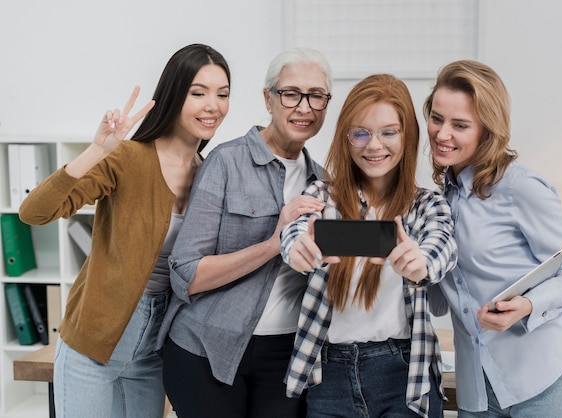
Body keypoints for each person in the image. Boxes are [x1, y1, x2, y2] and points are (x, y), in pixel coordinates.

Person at [19, 43, 231, 418]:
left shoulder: (212, 174)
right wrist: (97, 150)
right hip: (93, 345)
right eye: (198, 92)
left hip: (153, 352)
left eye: (222, 94)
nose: (212, 105)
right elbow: (35, 212)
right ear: (173, 94)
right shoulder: (128, 158)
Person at [157, 47, 332, 418]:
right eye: (291, 94)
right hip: (205, 348)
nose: (304, 107)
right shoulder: (226, 162)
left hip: (287, 355)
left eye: (316, 96)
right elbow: (185, 274)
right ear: (268, 99)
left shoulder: (325, 183)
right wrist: (273, 243)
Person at [424, 60, 562, 417]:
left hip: (548, 383)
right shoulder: (440, 202)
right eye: (436, 118)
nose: (442, 134)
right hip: (479, 393)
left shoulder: (519, 188)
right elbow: (440, 303)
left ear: (487, 131)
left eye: (460, 125)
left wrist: (528, 305)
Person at [279, 74, 458, 418]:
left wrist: (419, 263)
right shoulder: (321, 195)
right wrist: (297, 248)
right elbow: (297, 231)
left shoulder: (427, 205)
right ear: (346, 139)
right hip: (328, 376)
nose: (374, 145)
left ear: (407, 137)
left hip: (403, 375)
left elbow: (442, 248)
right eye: (360, 133)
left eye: (388, 132)